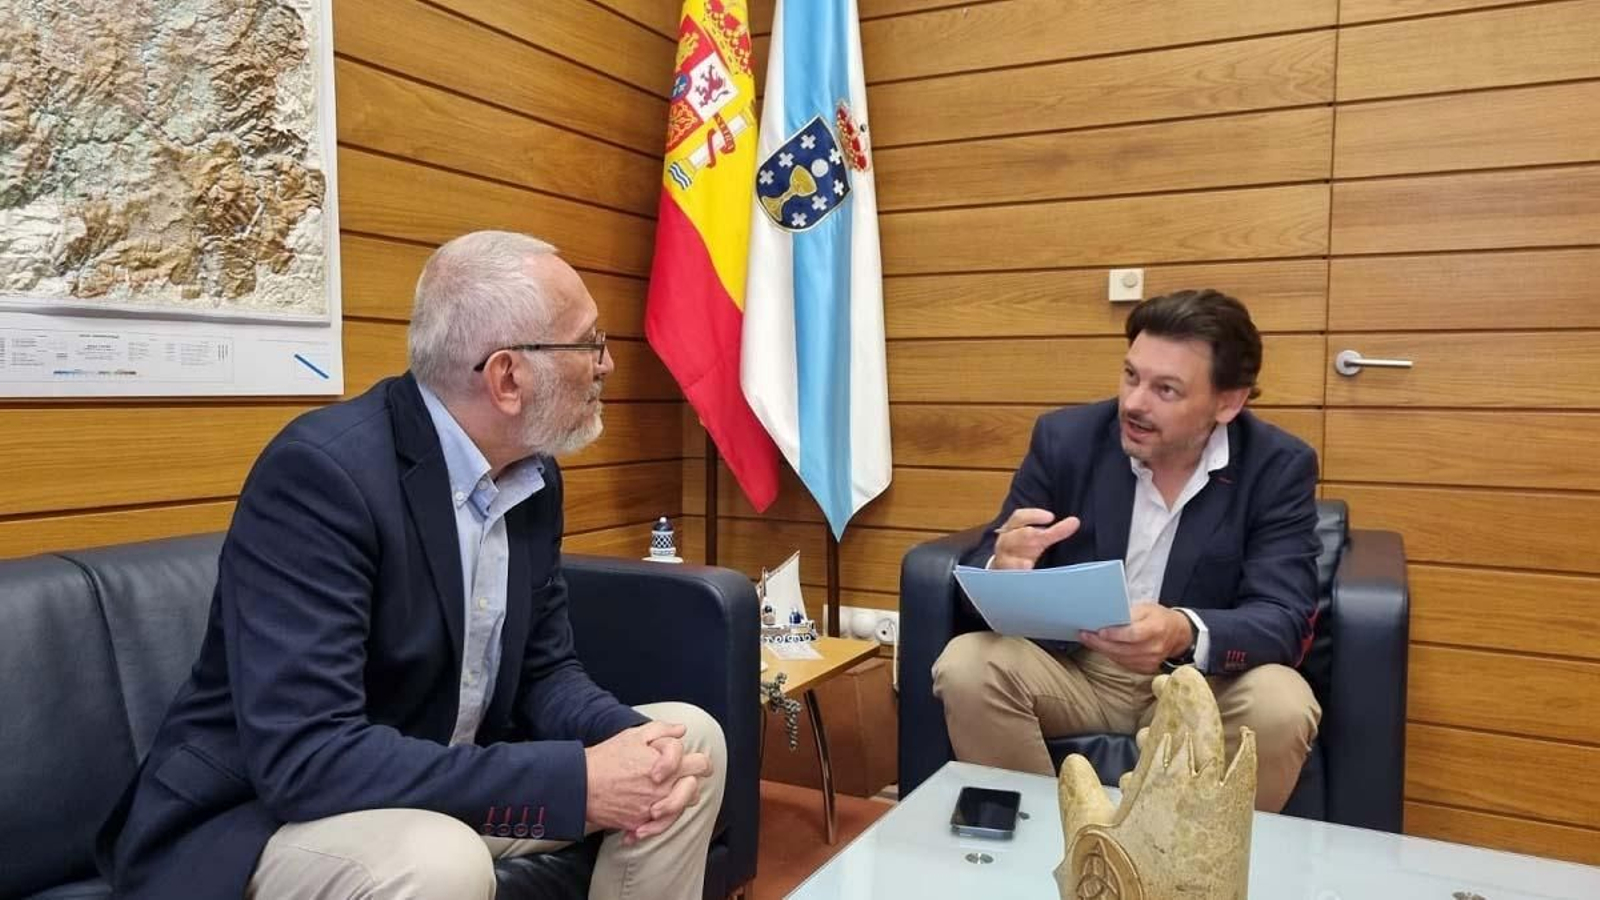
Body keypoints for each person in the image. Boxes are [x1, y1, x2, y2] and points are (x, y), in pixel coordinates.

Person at [96, 231, 726, 899]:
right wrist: (579, 784)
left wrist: (631, 746)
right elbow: (307, 758)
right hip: (261, 813)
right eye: (589, 342)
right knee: (438, 861)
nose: (606, 364)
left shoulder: (531, 473)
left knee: (691, 747)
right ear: (508, 376)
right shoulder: (320, 476)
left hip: (428, 779)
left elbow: (544, 671)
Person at [932, 289, 1321, 812]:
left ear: (1228, 401)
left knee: (1283, 704)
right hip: (1077, 673)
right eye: (1131, 376)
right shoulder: (1067, 438)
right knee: (967, 665)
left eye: (1166, 389)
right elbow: (985, 563)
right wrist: (1003, 564)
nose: (1134, 403)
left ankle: (1194, 878)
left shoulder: (1276, 468)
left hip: (1200, 685)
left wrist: (1180, 630)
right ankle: (1047, 855)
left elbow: (1284, 617)